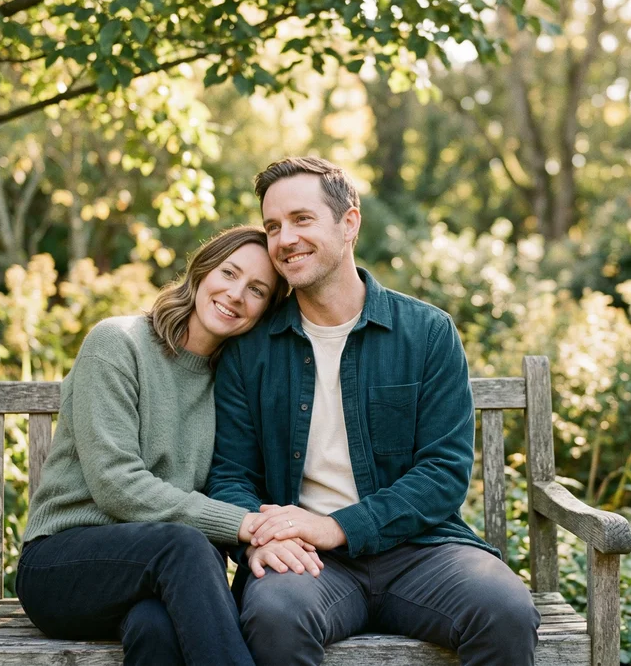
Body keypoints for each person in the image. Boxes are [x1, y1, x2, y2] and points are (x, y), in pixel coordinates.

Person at [207, 157, 541, 666]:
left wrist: (336, 526)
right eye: (273, 226)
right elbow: (230, 474)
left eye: (301, 219)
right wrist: (255, 539)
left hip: (421, 551)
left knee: (504, 609)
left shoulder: (427, 333)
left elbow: (443, 474)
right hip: (308, 564)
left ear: (349, 222)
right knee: (275, 614)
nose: (284, 239)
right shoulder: (248, 350)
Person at [16, 226, 323, 666]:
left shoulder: (232, 384)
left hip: (158, 577)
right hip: (63, 565)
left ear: (265, 311)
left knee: (156, 630)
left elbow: (234, 478)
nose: (236, 294)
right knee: (186, 545)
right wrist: (248, 527)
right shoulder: (118, 343)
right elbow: (115, 483)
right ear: (201, 272)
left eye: (256, 290)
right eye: (229, 273)